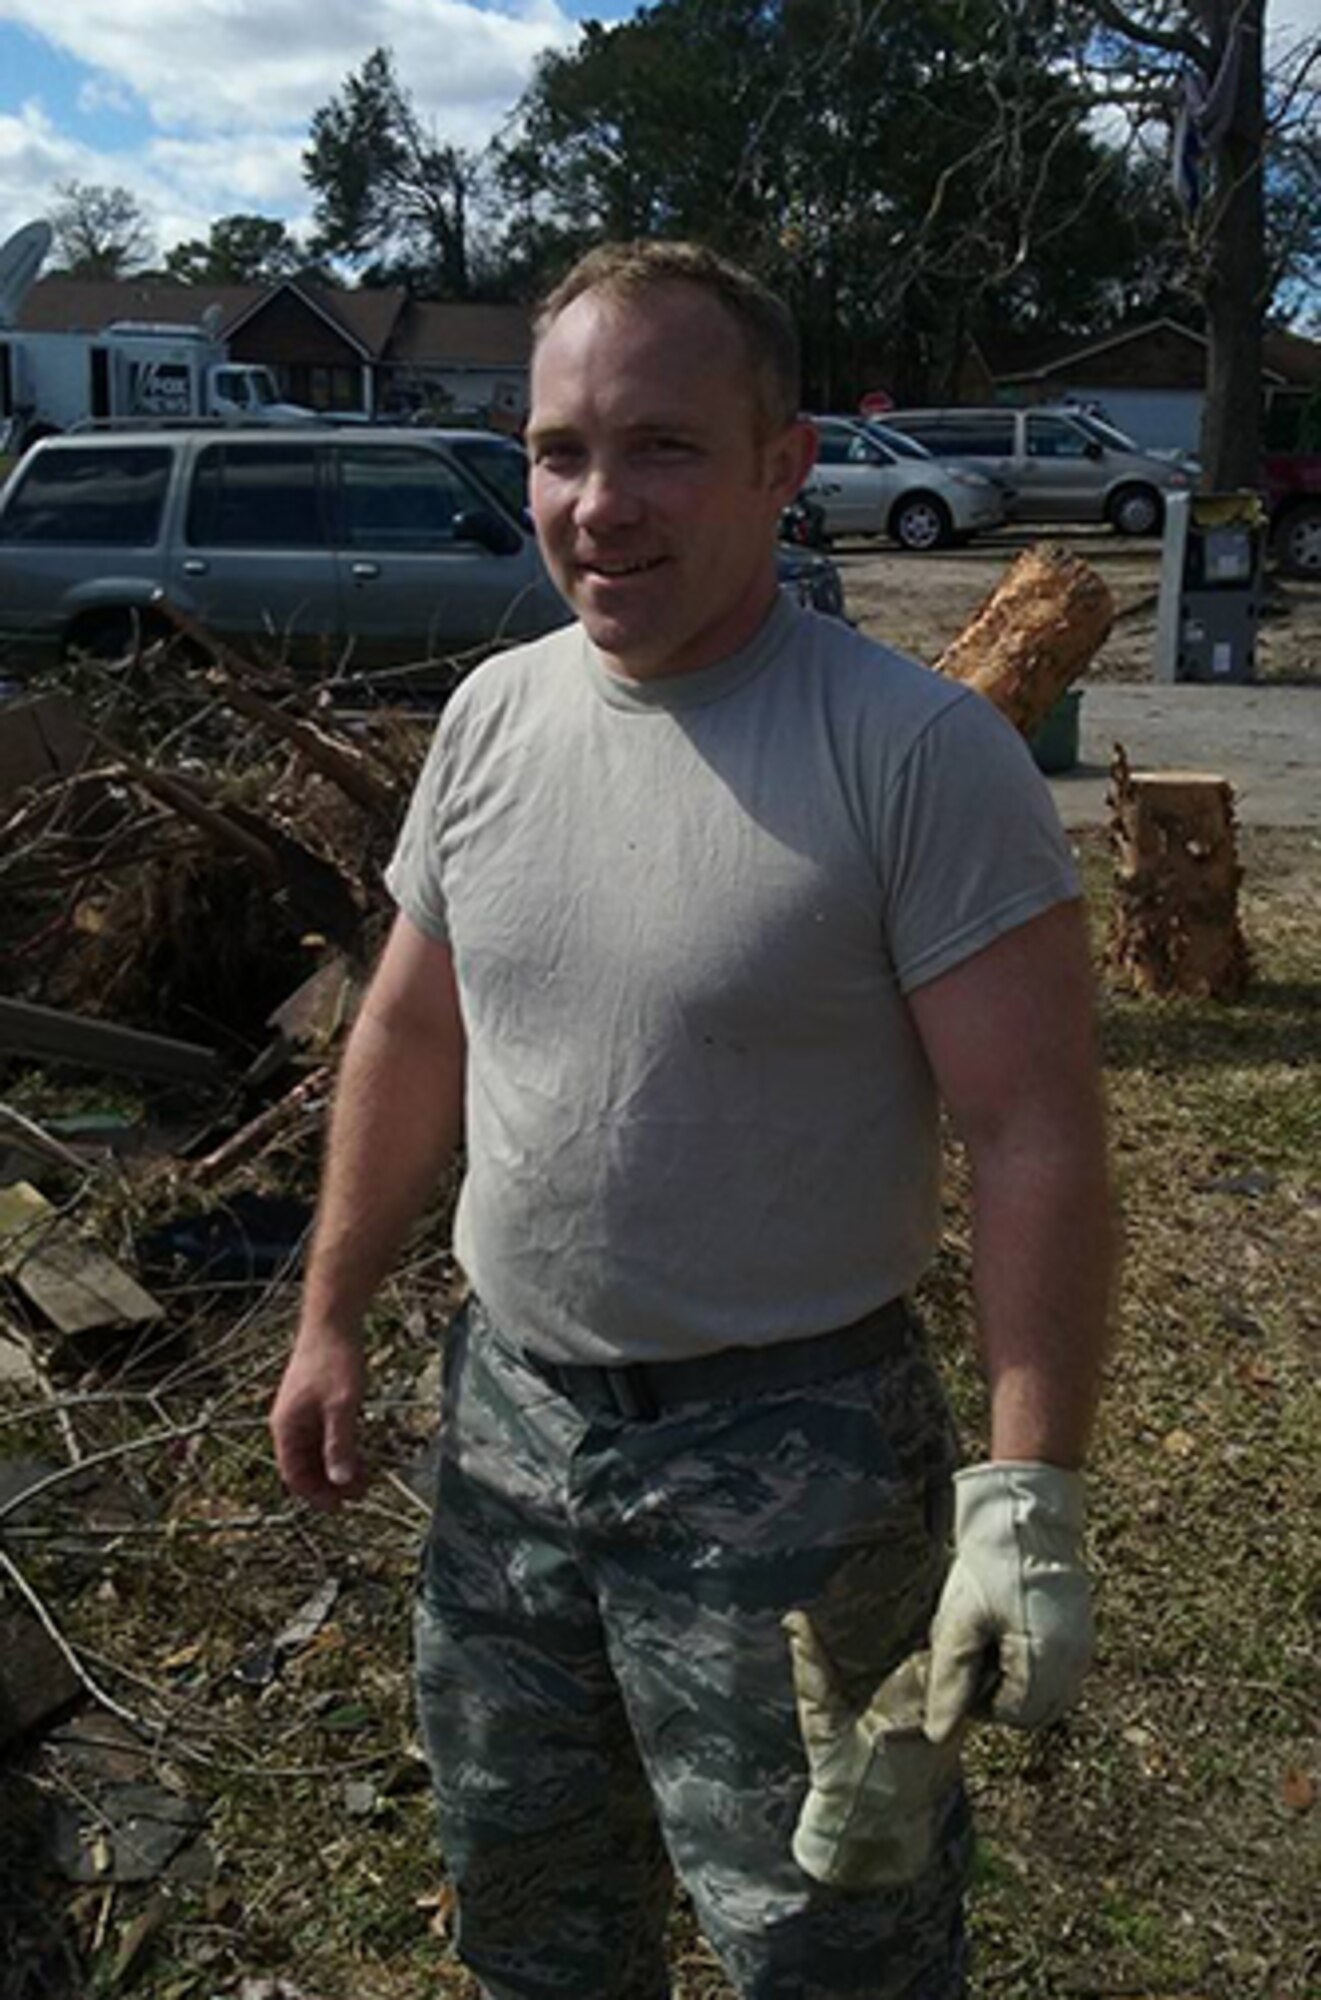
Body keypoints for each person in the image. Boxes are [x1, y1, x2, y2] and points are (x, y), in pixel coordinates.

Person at [271, 240, 1113, 2000]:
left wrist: (1024, 1493)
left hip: (793, 1470)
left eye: (660, 447)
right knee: (530, 1906)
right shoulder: (494, 716)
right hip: (505, 1432)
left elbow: (1032, 1128)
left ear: (782, 464)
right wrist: (332, 1311)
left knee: (829, 1945)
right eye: (559, 449)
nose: (597, 505)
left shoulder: (911, 754)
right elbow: (415, 1030)